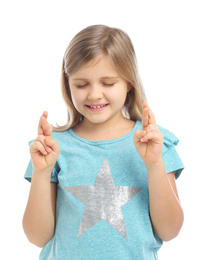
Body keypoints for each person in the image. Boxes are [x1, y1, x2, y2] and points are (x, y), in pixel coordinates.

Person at [23, 25, 184, 259]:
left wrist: (154, 165)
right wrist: (41, 173)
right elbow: (37, 237)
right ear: (68, 82)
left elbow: (170, 230)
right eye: (81, 84)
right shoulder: (52, 148)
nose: (95, 94)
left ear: (129, 82)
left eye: (108, 83)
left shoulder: (155, 142)